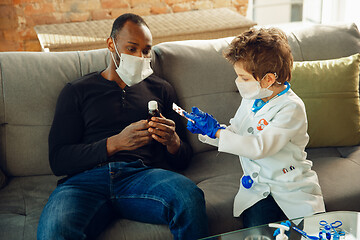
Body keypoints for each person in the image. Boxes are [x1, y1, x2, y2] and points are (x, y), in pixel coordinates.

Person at [37, 13, 209, 240]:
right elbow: (58, 160)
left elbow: (184, 159)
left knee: (189, 197)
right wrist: (114, 143)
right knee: (55, 230)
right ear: (111, 44)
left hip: (140, 176)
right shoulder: (77, 91)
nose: (140, 56)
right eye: (131, 49)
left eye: (146, 50)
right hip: (83, 184)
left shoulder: (161, 89)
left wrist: (173, 142)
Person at [184, 28, 325, 228]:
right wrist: (209, 131)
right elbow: (236, 133)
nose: (238, 82)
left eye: (244, 78)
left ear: (268, 79)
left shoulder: (291, 108)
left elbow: (260, 147)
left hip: (291, 188)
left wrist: (217, 132)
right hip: (258, 190)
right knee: (256, 231)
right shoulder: (252, 99)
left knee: (314, 231)